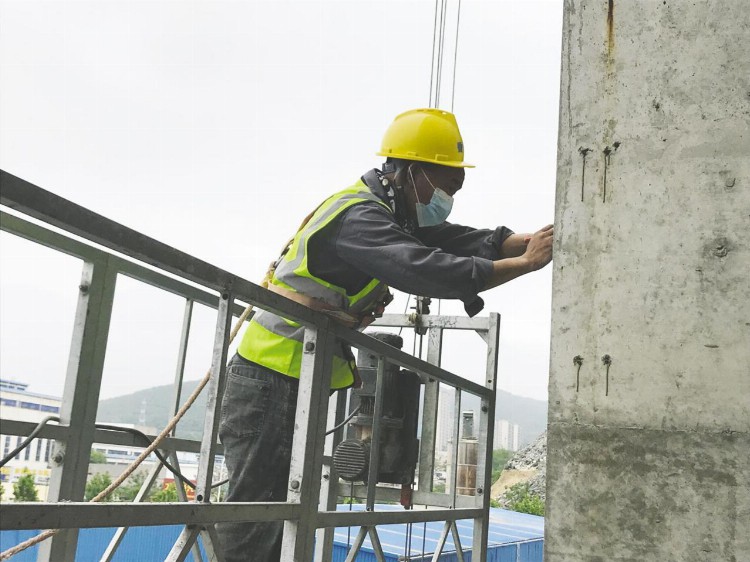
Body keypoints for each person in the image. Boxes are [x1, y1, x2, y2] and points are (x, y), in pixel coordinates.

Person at [216, 108, 553, 562]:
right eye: (447, 187)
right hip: (270, 376)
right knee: (257, 515)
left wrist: (527, 240)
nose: (449, 199)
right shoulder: (360, 217)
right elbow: (422, 267)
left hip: (294, 379)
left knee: (284, 513)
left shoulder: (386, 211)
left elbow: (450, 240)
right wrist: (522, 264)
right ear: (415, 174)